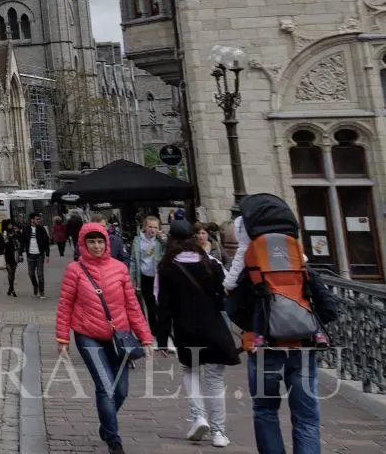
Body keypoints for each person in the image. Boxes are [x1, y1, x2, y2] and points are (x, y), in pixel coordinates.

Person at [226, 192, 338, 454]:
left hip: (265, 347)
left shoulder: (251, 263)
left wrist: (256, 324)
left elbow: (232, 308)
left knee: (265, 411)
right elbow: (329, 308)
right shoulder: (299, 261)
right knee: (307, 416)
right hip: (304, 346)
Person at [55, 223, 156, 454]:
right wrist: (62, 337)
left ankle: (105, 423)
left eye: (100, 241)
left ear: (106, 243)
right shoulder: (75, 270)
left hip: (118, 336)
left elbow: (132, 306)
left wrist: (145, 337)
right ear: (83, 244)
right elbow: (65, 305)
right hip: (88, 335)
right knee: (105, 387)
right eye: (92, 242)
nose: (97, 246)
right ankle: (113, 439)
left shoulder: (119, 268)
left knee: (120, 391)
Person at [152, 221, 238, 448]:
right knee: (215, 380)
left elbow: (162, 305)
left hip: (184, 328)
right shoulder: (211, 262)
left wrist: (162, 340)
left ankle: (198, 416)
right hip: (212, 326)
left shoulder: (166, 267)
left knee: (190, 372)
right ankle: (218, 431)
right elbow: (229, 289)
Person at [133, 216, 163, 329]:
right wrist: (133, 280)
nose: (153, 230)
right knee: (149, 304)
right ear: (144, 227)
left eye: (155, 227)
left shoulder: (160, 241)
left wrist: (163, 240)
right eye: (150, 226)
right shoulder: (137, 241)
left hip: (158, 277)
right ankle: (152, 329)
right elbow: (133, 261)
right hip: (145, 277)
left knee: (158, 303)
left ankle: (160, 327)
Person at [25, 212, 51, 298]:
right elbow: (22, 241)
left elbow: (47, 243)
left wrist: (47, 255)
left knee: (40, 275)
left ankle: (41, 291)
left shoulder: (42, 229)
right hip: (30, 255)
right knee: (30, 273)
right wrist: (21, 253)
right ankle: (35, 285)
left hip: (40, 255)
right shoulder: (26, 229)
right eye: (37, 219)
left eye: (39, 219)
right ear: (32, 220)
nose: (39, 221)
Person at [1, 219, 24, 297]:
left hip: (15, 255)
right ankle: (12, 289)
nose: (11, 225)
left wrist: (18, 232)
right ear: (6, 225)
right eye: (9, 224)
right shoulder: (3, 234)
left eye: (11, 224)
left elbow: (21, 242)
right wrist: (4, 240)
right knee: (10, 272)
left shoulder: (15, 233)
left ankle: (10, 289)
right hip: (6, 256)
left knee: (13, 273)